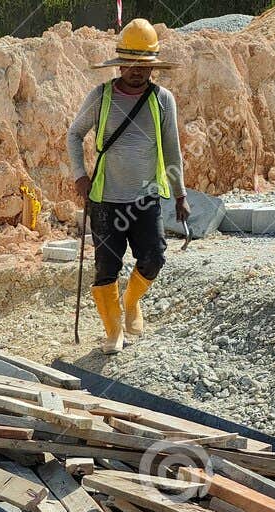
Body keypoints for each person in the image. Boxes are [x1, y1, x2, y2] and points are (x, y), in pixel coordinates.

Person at [66, 18, 189, 353]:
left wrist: (179, 194)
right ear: (120, 63)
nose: (137, 71)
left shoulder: (163, 100)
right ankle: (112, 332)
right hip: (105, 199)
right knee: (106, 266)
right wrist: (80, 174)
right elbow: (74, 134)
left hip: (145, 198)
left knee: (153, 258)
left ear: (153, 66)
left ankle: (131, 301)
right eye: (131, 64)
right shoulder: (101, 96)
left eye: (144, 65)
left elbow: (172, 148)